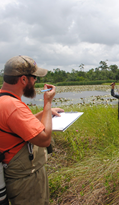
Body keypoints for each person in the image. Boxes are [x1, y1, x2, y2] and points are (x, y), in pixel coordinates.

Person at [0, 55, 64, 205]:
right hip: (26, 178)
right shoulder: (14, 106)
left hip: (12, 172)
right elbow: (44, 139)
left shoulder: (4, 100)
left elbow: (15, 126)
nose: (35, 81)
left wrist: (43, 114)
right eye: (34, 77)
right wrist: (47, 103)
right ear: (23, 79)